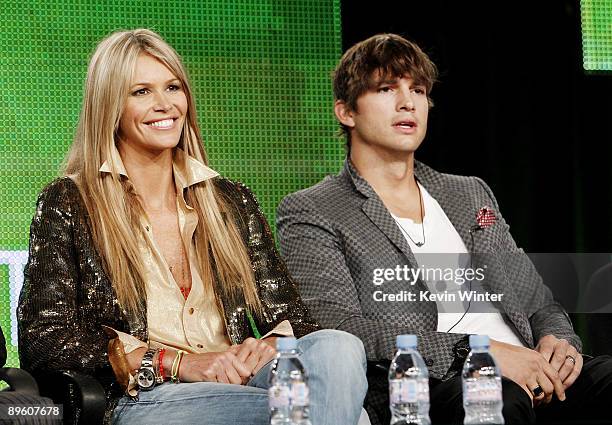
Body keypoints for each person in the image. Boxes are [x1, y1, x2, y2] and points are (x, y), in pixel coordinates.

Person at [17, 29, 367, 425]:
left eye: (172, 87)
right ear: (109, 105)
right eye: (141, 92)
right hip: (149, 398)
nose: (165, 105)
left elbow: (295, 320)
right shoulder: (71, 201)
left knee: (338, 347)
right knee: (342, 416)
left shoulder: (230, 201)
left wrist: (268, 346)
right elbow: (44, 340)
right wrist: (177, 362)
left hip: (242, 380)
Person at [276, 33, 612, 425]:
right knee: (495, 401)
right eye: (387, 89)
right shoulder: (313, 208)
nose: (408, 103)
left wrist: (559, 341)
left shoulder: (469, 194)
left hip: (533, 367)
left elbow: (533, 295)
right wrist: (478, 351)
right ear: (346, 112)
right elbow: (339, 326)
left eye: (417, 90)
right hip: (432, 381)